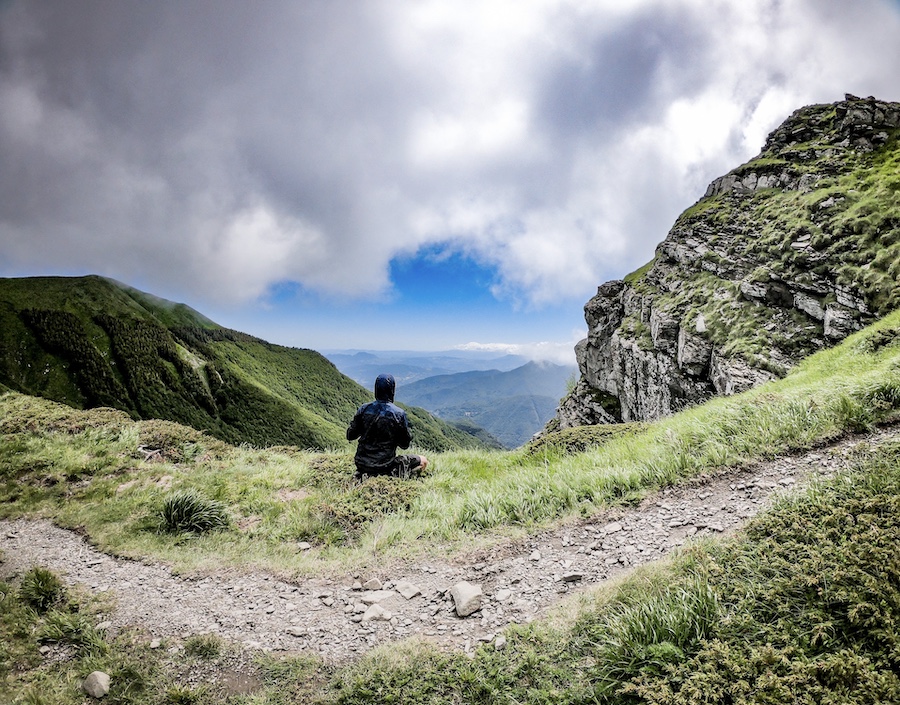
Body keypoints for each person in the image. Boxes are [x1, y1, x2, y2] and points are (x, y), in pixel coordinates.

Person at [347, 373, 429, 480]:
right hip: (385, 466)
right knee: (423, 460)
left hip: (361, 463)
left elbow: (350, 435)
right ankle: (405, 478)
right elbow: (404, 444)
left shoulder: (363, 409)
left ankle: (364, 475)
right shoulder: (398, 414)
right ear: (392, 391)